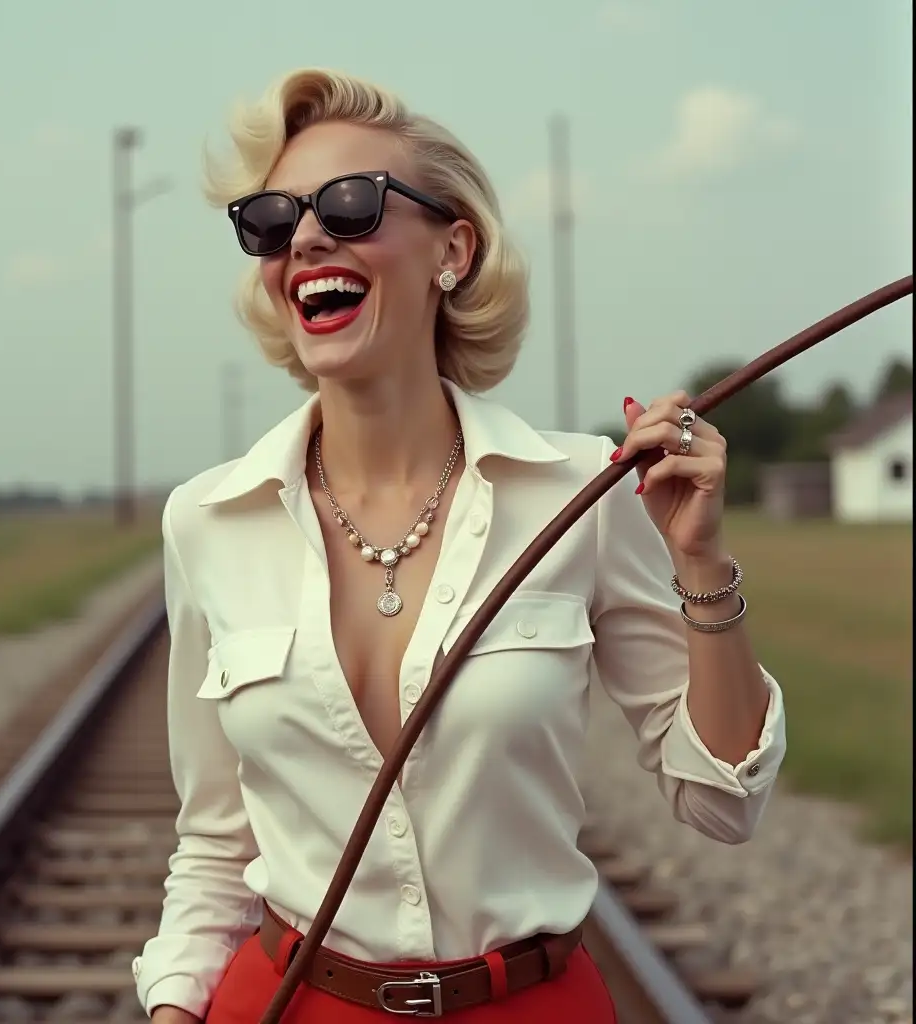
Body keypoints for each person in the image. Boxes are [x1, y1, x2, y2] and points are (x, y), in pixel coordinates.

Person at [135, 68, 786, 1024]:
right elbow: (213, 843)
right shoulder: (206, 522)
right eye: (274, 221)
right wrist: (173, 1008)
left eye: (351, 205)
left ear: (454, 248)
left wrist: (700, 562)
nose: (307, 237)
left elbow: (723, 803)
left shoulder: (580, 492)